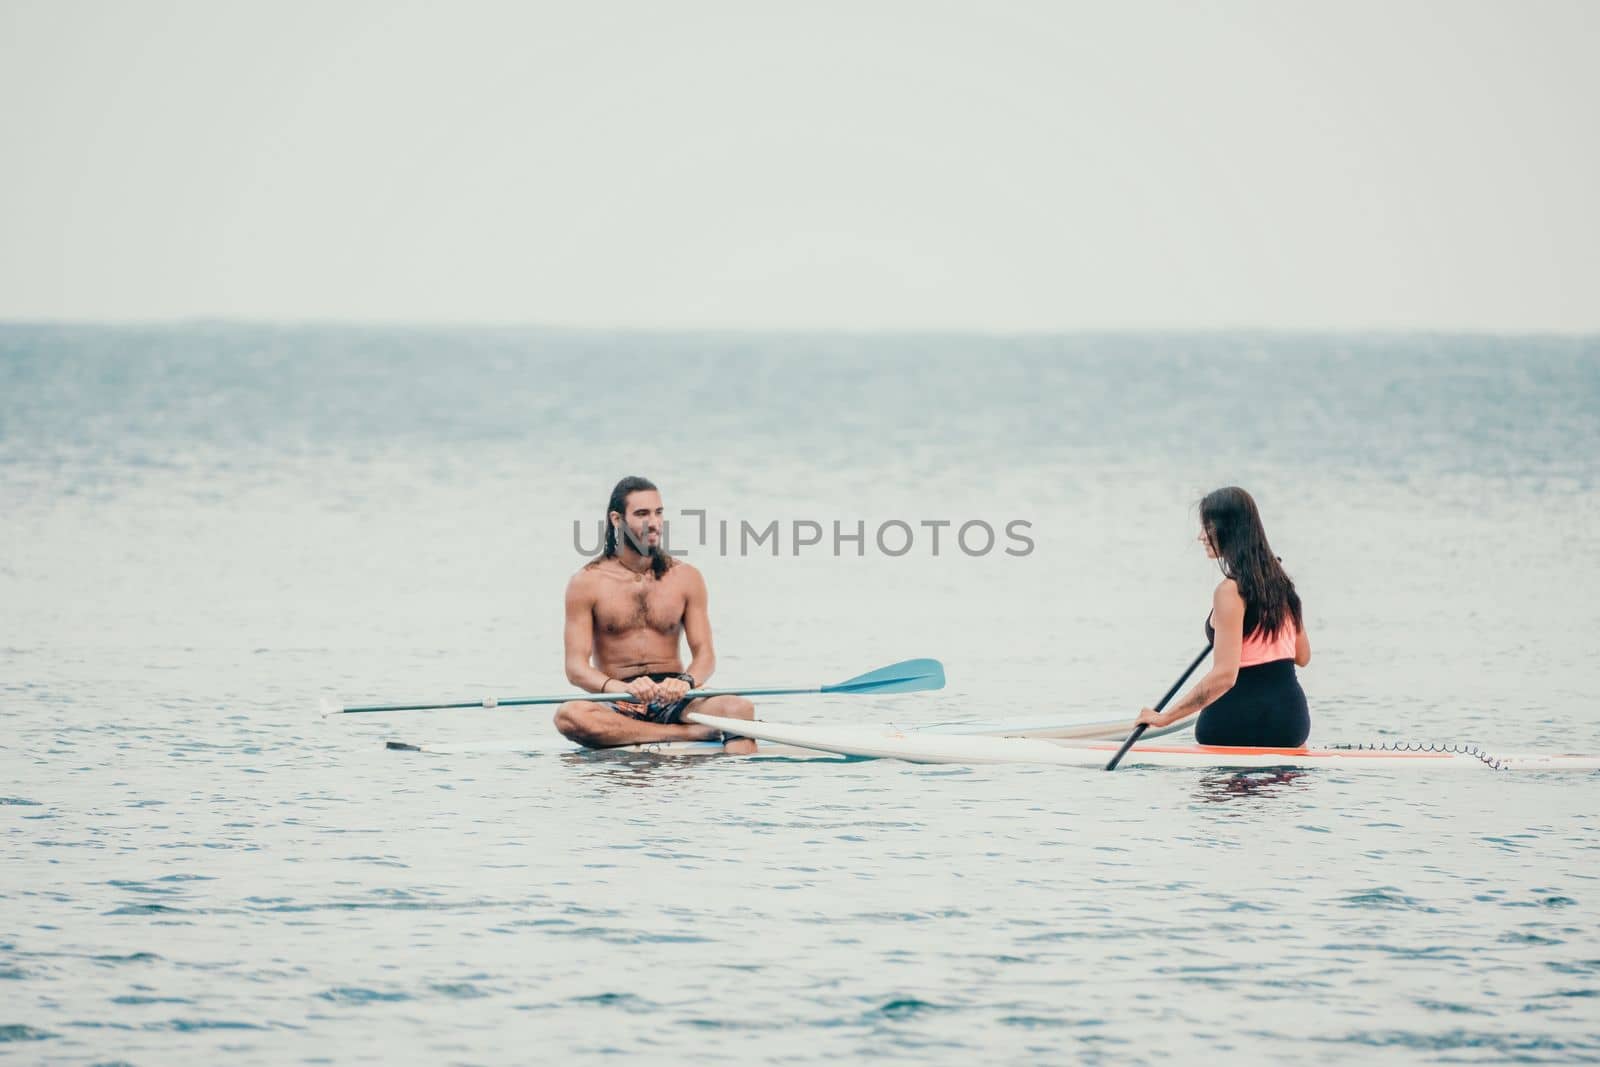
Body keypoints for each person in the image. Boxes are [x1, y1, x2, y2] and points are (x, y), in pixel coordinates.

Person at [553, 476, 757, 753]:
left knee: (739, 708)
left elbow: (705, 656)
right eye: (641, 514)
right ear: (617, 519)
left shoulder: (686, 577)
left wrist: (685, 682)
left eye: (658, 512)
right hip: (620, 698)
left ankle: (747, 786)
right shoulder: (586, 582)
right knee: (569, 716)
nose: (654, 522)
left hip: (676, 697)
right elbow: (576, 668)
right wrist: (616, 688)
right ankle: (688, 734)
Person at [1135, 487, 1311, 747]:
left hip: (1233, 723)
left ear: (1228, 529)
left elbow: (1224, 677)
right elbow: (1302, 656)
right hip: (1291, 724)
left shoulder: (1230, 591)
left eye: (1207, 527)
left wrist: (1165, 717)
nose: (1200, 536)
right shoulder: (1281, 584)